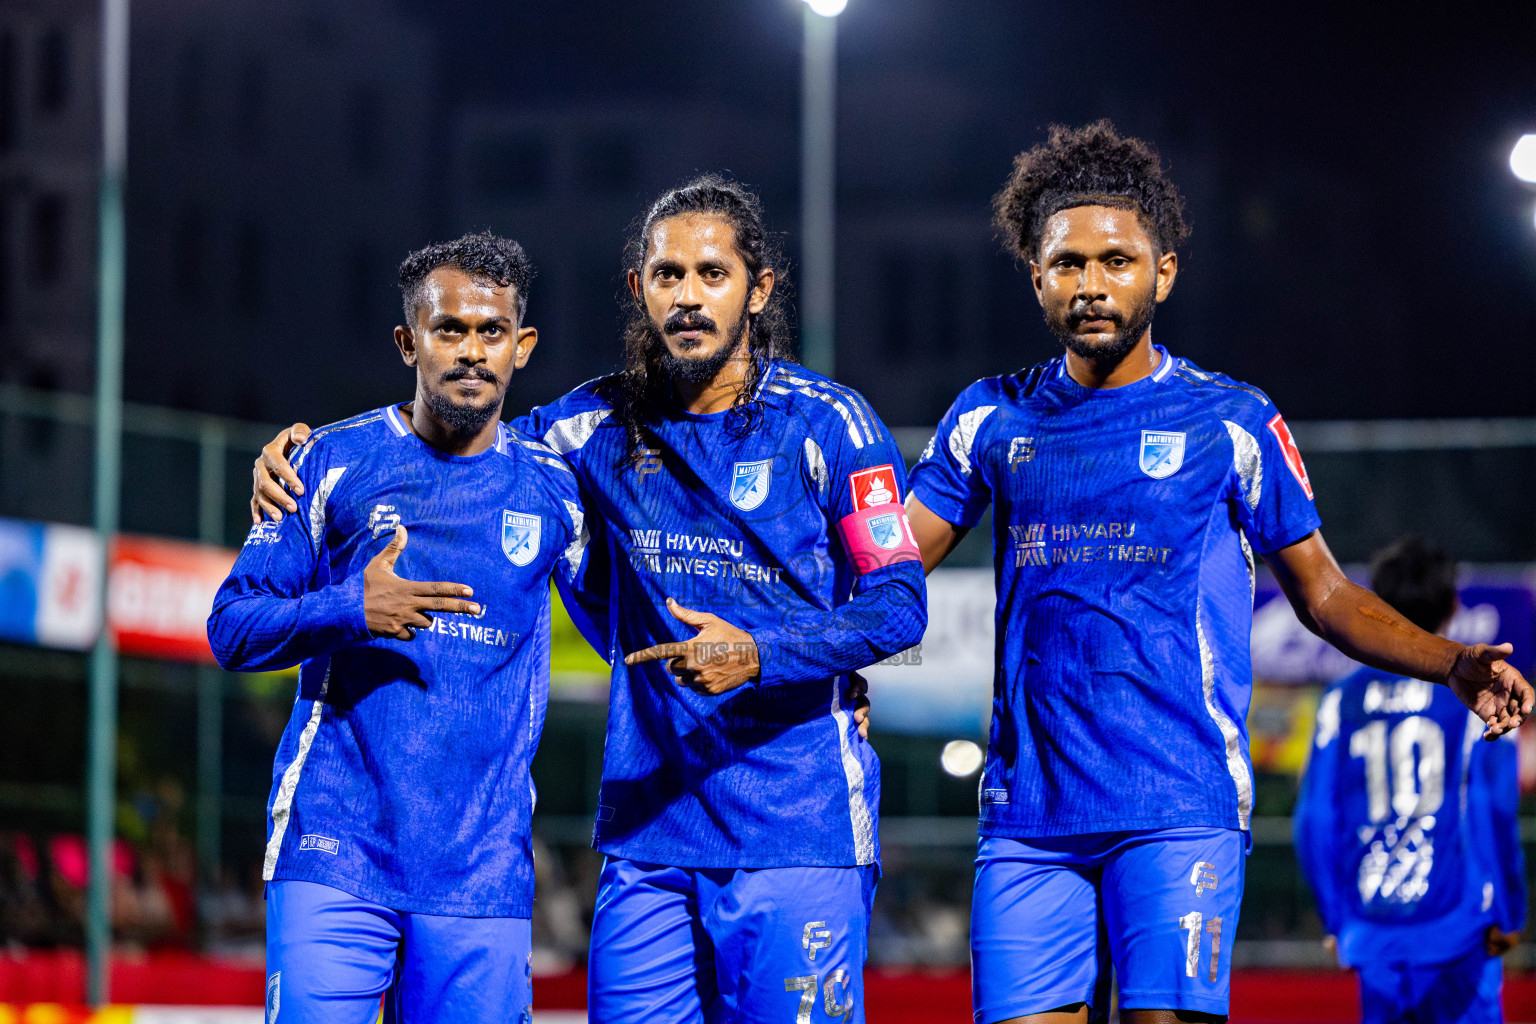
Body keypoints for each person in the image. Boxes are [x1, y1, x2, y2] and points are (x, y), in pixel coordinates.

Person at [250, 176, 926, 1024]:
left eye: (712, 274)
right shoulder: (583, 429)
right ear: (639, 288)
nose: (687, 295)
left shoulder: (833, 424)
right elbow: (455, 440)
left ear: (760, 289)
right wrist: (298, 453)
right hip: (647, 835)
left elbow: (900, 607)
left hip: (798, 826)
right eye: (666, 274)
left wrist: (767, 654)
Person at [903, 121, 1532, 1024]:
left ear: (1162, 273)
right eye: (1068, 263)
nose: (1092, 284)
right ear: (1035, 275)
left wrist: (1451, 661)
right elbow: (891, 567)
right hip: (1026, 814)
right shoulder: (989, 417)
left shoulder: (1231, 420)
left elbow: (1325, 595)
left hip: (1178, 798)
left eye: (1117, 261)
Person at [209, 232, 590, 1023]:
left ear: (522, 347)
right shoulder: (327, 464)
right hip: (335, 848)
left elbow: (635, 623)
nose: (472, 351)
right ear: (408, 341)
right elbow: (233, 626)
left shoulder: (557, 487)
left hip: (480, 872)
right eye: (449, 330)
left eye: (491, 333)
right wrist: (352, 608)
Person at [1295, 536, 1525, 1024]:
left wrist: (1337, 916)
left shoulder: (1340, 700)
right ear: (1453, 605)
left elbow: (1314, 817)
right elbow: (1494, 807)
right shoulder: (1477, 696)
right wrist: (1509, 908)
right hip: (1458, 925)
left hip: (1375, 928)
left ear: (1375, 604)